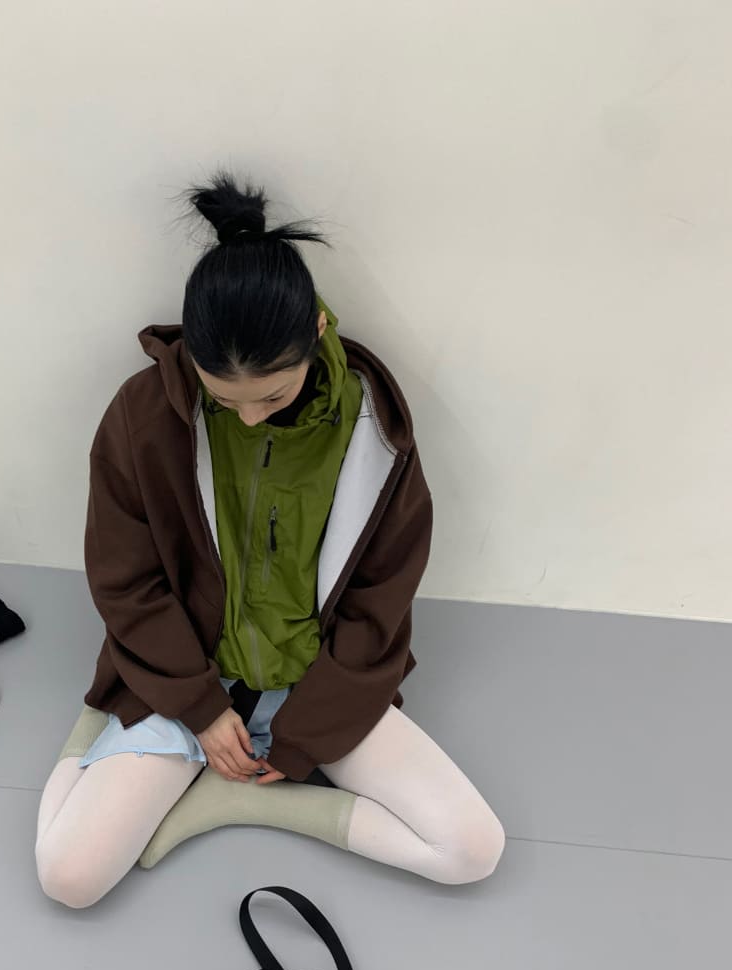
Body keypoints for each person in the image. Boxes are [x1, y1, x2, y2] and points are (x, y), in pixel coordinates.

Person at [36, 173, 504, 908]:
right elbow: (125, 581)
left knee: (473, 848)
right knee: (68, 878)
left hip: (314, 681)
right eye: (224, 399)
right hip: (185, 676)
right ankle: (101, 725)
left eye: (274, 396)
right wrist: (199, 708)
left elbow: (381, 599)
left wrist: (304, 735)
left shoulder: (371, 429)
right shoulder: (141, 415)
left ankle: (230, 802)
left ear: (316, 333)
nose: (250, 417)